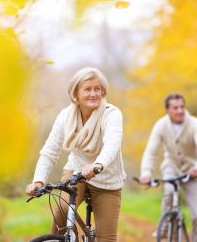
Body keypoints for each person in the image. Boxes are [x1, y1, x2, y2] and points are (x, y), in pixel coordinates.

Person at [26, 67, 126, 242]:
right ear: (76, 94)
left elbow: (112, 144)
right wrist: (38, 180)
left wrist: (98, 165)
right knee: (62, 211)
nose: (93, 93)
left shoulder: (111, 113)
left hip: (107, 179)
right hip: (76, 173)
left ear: (103, 91)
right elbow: (50, 151)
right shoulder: (66, 116)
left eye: (97, 89)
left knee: (106, 238)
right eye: (87, 89)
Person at [138, 93, 197, 242]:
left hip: (193, 171)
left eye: (182, 107)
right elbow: (151, 151)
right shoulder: (161, 125)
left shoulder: (194, 124)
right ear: (167, 110)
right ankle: (165, 226)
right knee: (169, 193)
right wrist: (145, 173)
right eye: (175, 108)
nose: (180, 111)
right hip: (171, 167)